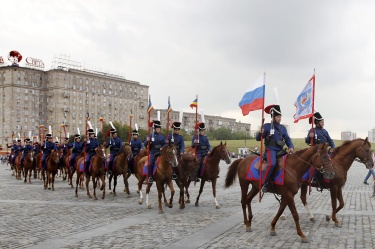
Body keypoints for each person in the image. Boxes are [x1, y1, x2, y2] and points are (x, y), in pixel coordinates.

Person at [256, 104, 294, 192]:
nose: (279, 118)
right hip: (271, 150)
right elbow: (258, 138)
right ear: (273, 117)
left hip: (280, 150)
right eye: (278, 117)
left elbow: (287, 139)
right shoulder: (267, 126)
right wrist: (260, 133)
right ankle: (264, 183)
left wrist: (291, 146)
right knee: (272, 164)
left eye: (280, 117)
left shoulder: (283, 128)